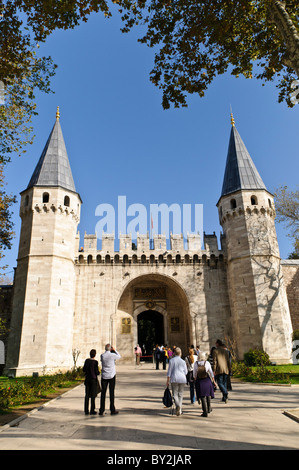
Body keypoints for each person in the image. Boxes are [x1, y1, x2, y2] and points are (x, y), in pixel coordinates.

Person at [99, 344, 121, 415]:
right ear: (110, 349)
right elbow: (119, 356)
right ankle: (112, 409)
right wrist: (114, 350)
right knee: (111, 393)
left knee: (103, 393)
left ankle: (101, 409)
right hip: (111, 375)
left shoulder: (102, 356)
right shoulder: (112, 355)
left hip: (104, 375)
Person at [194, 351, 217, 417]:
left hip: (200, 380)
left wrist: (195, 378)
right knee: (208, 394)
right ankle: (209, 408)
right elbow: (211, 373)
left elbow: (194, 373)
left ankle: (205, 411)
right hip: (207, 380)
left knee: (202, 396)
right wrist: (213, 381)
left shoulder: (196, 364)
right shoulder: (207, 363)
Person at [166, 347, 187, 416]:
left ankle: (177, 405)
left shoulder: (171, 361)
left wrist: (167, 380)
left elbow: (169, 372)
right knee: (180, 394)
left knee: (175, 394)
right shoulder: (183, 361)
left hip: (174, 378)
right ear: (180, 353)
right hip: (182, 379)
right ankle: (180, 410)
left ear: (174, 353)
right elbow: (186, 372)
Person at [83, 349, 100, 415]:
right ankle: (92, 410)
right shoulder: (95, 362)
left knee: (87, 395)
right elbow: (97, 372)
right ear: (95, 355)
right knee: (93, 395)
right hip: (93, 379)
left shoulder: (87, 361)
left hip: (87, 379)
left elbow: (84, 369)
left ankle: (86, 410)